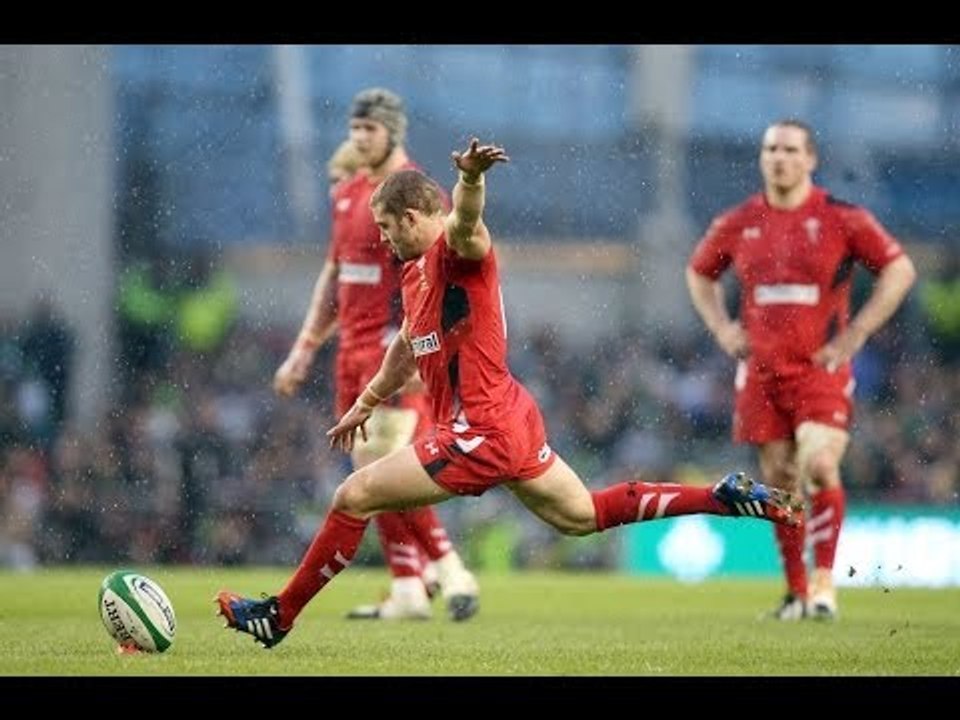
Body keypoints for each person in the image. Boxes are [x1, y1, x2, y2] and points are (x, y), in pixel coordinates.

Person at [217, 137, 802, 649]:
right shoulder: (415, 271)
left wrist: (469, 179)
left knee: (355, 495)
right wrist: (367, 402)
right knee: (584, 516)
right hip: (509, 418)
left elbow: (467, 223)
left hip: (481, 430)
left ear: (420, 215)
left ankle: (280, 615)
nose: (386, 238)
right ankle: (721, 496)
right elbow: (406, 347)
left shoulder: (454, 252)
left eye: (392, 226)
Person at [685, 119, 917, 621]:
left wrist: (856, 335)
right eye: (770, 148)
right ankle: (795, 594)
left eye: (790, 149)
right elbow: (699, 272)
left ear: (811, 159)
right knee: (781, 481)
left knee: (818, 464)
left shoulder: (842, 218)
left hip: (820, 368)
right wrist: (723, 328)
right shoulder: (739, 221)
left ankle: (824, 582)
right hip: (762, 373)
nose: (779, 158)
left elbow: (899, 269)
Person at [273, 88, 479, 622]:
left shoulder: (416, 194)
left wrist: (428, 348)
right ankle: (409, 587)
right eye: (355, 128)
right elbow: (335, 278)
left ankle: (452, 570)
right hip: (351, 353)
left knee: (382, 471)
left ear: (393, 130)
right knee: (371, 475)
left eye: (370, 128)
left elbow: (447, 274)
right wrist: (303, 349)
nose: (359, 137)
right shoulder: (346, 194)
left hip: (398, 353)